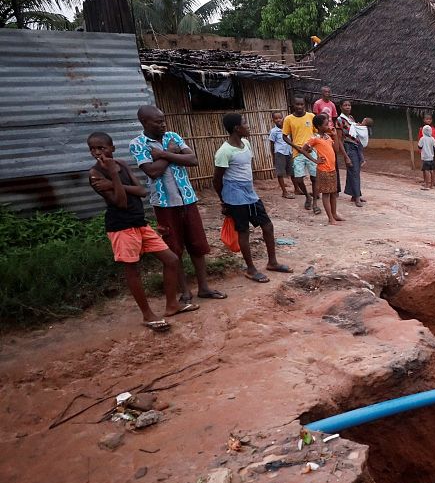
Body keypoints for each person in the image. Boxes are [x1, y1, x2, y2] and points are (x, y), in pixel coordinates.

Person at [89, 131, 196, 331]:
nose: (97, 152)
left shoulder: (120, 164)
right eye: (93, 149)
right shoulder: (95, 174)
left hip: (140, 223)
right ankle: (147, 315)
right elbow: (120, 202)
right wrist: (112, 174)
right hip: (121, 227)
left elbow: (142, 191)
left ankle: (172, 304)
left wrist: (113, 181)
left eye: (101, 148)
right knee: (132, 269)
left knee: (171, 259)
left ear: (112, 148)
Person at [129, 105, 225, 302]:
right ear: (145, 122)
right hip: (164, 204)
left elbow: (192, 160)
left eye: (163, 120)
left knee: (197, 245)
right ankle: (185, 291)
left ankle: (204, 287)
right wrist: (173, 155)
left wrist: (164, 154)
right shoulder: (138, 144)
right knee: (174, 248)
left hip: (187, 199)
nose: (163, 124)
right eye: (158, 121)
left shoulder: (173, 136)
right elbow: (153, 172)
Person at [214, 114, 291, 283]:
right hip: (234, 197)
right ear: (236, 128)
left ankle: (272, 262)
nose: (248, 126)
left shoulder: (246, 143)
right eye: (245, 123)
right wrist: (224, 201)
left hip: (249, 194)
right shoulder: (224, 151)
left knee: (268, 226)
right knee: (243, 231)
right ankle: (250, 269)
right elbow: (217, 180)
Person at [304, 114, 349, 225]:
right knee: (326, 194)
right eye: (326, 124)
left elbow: (336, 150)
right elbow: (303, 150)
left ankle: (334, 214)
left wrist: (335, 136)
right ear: (319, 127)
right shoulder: (315, 138)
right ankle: (330, 218)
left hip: (332, 169)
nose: (328, 125)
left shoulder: (328, 137)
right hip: (323, 169)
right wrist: (315, 160)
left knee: (333, 193)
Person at [282, 96, 320, 214]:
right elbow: (284, 136)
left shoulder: (311, 117)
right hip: (297, 152)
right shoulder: (289, 119)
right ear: (293, 105)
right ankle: (307, 196)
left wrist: (312, 146)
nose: (299, 107)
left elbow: (316, 132)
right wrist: (295, 147)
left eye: (301, 104)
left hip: (311, 151)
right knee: (298, 179)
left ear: (305, 105)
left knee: (314, 178)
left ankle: (314, 203)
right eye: (297, 104)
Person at [267, 112, 295, 199]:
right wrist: (273, 157)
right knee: (280, 173)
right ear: (273, 120)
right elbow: (272, 144)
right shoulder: (273, 131)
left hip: (289, 152)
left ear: (283, 118)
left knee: (293, 172)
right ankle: (284, 192)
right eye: (276, 118)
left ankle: (297, 189)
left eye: (280, 118)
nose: (278, 120)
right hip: (280, 153)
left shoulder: (288, 129)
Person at [342, 116, 368, 206]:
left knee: (353, 172)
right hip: (349, 148)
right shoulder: (340, 120)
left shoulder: (351, 119)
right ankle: (357, 197)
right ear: (341, 107)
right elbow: (340, 137)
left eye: (349, 105)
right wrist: (346, 156)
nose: (348, 106)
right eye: (345, 105)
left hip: (356, 147)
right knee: (354, 173)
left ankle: (354, 195)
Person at [418, 125, 435, 190]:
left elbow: (419, 146)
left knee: (426, 170)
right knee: (432, 170)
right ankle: (432, 185)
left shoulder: (422, 139)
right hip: (431, 157)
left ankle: (426, 185)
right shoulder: (432, 138)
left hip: (425, 157)